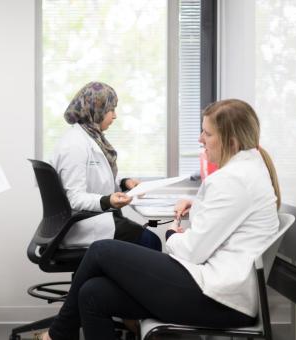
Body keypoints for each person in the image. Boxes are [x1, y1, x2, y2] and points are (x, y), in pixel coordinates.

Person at [41, 98, 281, 340]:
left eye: (207, 134)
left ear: (231, 142)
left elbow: (190, 252)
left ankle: (58, 334)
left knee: (101, 250)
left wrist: (172, 236)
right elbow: (232, 212)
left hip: (220, 299)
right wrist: (199, 204)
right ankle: (59, 333)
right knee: (92, 294)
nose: (200, 139)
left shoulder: (232, 179)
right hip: (221, 291)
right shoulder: (247, 171)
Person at [51, 82, 161, 250]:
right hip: (83, 225)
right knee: (150, 242)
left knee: (146, 238)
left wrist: (125, 183)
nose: (115, 116)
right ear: (97, 108)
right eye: (112, 109)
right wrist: (107, 200)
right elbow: (74, 198)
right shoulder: (74, 145)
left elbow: (100, 178)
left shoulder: (91, 138)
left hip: (94, 218)